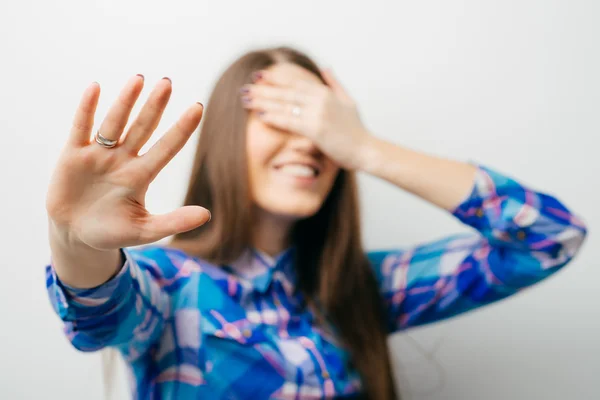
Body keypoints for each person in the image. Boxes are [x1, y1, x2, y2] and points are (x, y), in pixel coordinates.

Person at [44, 46, 588, 400]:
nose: (308, 140)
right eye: (279, 114)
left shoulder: (358, 289)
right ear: (227, 136)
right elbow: (97, 313)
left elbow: (548, 237)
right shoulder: (170, 285)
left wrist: (366, 148)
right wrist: (73, 238)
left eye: (320, 120)